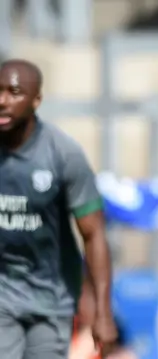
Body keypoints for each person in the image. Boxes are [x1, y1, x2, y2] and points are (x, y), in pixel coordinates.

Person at [0, 59, 118, 358]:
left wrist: (103, 311)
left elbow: (94, 235)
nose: (2, 101)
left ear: (36, 99)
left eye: (14, 92)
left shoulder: (63, 154)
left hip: (50, 299)